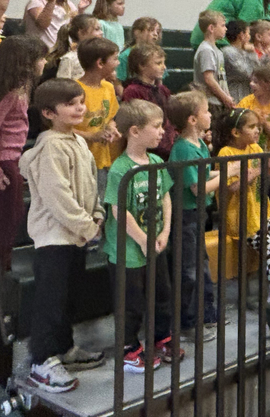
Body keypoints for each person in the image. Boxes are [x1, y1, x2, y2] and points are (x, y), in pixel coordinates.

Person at [20, 79, 106, 392]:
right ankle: (41, 361)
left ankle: (64, 348)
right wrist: (87, 226)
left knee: (69, 297)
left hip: (76, 235)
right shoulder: (50, 147)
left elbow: (90, 184)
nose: (80, 108)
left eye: (81, 102)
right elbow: (58, 197)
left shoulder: (79, 142)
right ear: (47, 112)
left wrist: (97, 214)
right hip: (55, 238)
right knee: (50, 301)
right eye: (71, 104)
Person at [102, 100, 183, 373]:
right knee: (131, 302)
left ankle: (162, 336)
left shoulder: (158, 161)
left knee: (162, 293)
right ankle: (128, 348)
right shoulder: (120, 169)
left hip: (156, 244)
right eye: (157, 126)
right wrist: (143, 240)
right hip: (129, 251)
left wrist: (165, 231)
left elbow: (166, 197)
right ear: (134, 131)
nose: (163, 131)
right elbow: (119, 211)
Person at [0, 36, 48, 269]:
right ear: (26, 62)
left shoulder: (20, 89)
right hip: (4, 164)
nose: (45, 62)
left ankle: (0, 266)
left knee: (12, 218)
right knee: (7, 221)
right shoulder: (11, 94)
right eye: (41, 58)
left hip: (11, 161)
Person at [216, 108, 270, 300]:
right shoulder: (226, 152)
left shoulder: (256, 149)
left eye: (258, 127)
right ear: (236, 132)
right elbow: (232, 186)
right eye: (252, 127)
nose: (257, 131)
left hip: (261, 212)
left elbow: (262, 182)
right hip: (241, 219)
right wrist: (256, 171)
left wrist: (269, 168)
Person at [166, 92, 218, 343]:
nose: (210, 115)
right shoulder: (184, 148)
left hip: (199, 212)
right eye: (206, 111)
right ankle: (187, 322)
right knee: (189, 270)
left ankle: (206, 313)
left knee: (202, 263)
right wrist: (227, 175)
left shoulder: (198, 144)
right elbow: (198, 186)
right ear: (192, 120)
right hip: (185, 214)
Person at [74, 37, 122, 194]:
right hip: (79, 161)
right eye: (115, 59)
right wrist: (90, 135)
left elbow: (110, 118)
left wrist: (111, 128)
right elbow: (62, 128)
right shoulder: (75, 90)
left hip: (102, 159)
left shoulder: (108, 87)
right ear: (100, 63)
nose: (118, 63)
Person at [121, 43, 176, 158]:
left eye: (163, 63)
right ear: (142, 65)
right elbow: (133, 122)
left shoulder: (163, 90)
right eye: (158, 63)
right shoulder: (132, 91)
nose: (164, 67)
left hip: (166, 144)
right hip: (147, 148)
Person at [24, 0, 93, 49]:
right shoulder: (37, 1)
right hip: (43, 50)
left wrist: (80, 10)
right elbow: (43, 24)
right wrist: (51, 2)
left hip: (63, 49)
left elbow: (75, 27)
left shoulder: (68, 4)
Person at [237, 65, 270, 150]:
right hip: (248, 151)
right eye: (251, 81)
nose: (251, 84)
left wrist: (264, 123)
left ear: (268, 85)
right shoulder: (246, 102)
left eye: (256, 82)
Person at [194, 11, 233, 111]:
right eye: (223, 25)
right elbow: (209, 79)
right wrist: (225, 98)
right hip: (210, 102)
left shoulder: (217, 51)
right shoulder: (206, 50)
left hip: (219, 101)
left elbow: (221, 78)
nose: (225, 28)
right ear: (211, 28)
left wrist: (227, 96)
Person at [50, 14, 101, 82]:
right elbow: (62, 87)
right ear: (81, 32)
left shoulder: (98, 56)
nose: (101, 32)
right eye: (97, 29)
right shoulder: (69, 59)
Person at [221, 20, 260, 104]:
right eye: (248, 33)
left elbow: (258, 70)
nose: (249, 37)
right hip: (235, 94)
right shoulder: (228, 52)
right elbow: (248, 73)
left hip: (246, 93)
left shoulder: (244, 51)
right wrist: (252, 53)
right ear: (241, 35)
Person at [116, 17, 161, 84]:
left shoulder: (157, 54)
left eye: (157, 32)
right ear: (137, 32)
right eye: (151, 30)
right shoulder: (125, 56)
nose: (155, 34)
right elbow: (117, 82)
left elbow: (159, 80)